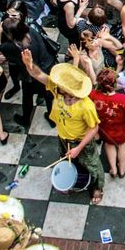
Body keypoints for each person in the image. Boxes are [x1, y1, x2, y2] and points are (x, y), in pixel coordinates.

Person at [21, 56, 105, 206]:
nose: (71, 100)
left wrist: (79, 148)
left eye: (75, 97)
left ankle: (97, 188)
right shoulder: (56, 89)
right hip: (63, 138)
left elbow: (94, 128)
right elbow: (38, 75)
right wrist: (29, 64)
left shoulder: (86, 106)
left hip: (82, 142)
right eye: (69, 96)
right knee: (67, 161)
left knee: (93, 165)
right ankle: (72, 180)